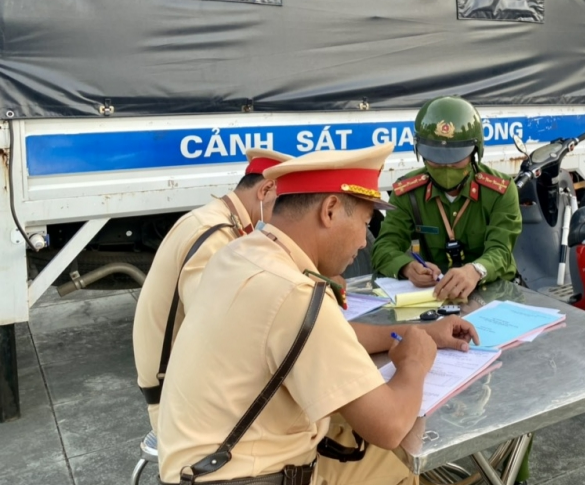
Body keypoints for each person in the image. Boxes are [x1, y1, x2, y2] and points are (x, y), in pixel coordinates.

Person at [157, 145, 481, 485]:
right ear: (330, 210)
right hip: (246, 475)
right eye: (364, 223)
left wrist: (424, 333)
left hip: (201, 467)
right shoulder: (295, 294)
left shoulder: (242, 254)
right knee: (397, 465)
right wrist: (415, 362)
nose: (362, 242)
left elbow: (325, 335)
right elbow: (390, 425)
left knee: (375, 456)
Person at [132, 148, 290, 434]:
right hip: (178, 405)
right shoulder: (213, 233)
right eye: (285, 204)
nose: (287, 217)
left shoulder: (219, 221)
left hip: (182, 388)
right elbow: (217, 325)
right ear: (266, 189)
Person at [372, 96, 522, 301]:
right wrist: (407, 267)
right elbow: (384, 247)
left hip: (494, 292)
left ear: (475, 152)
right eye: (436, 159)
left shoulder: (500, 190)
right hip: (435, 294)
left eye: (456, 159)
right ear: (421, 152)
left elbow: (501, 250)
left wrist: (475, 271)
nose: (446, 167)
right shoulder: (408, 193)